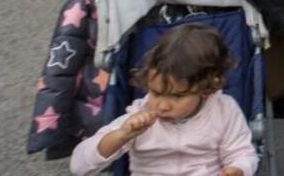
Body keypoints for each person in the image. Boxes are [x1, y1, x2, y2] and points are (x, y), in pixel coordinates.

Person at [69, 24, 257, 176]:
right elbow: (78, 166)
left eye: (177, 96)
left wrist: (238, 169)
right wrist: (121, 135)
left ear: (205, 89)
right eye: (156, 93)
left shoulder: (224, 110)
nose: (162, 105)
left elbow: (242, 153)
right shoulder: (137, 118)